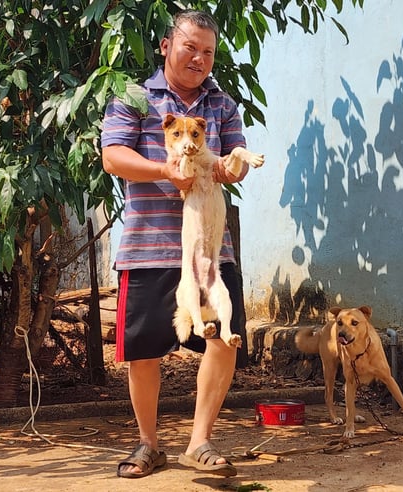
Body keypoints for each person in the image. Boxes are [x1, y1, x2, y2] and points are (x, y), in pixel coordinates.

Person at [100, 9, 250, 479]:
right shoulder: (134, 98)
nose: (199, 58)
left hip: (210, 248)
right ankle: (148, 444)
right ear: (167, 46)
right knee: (143, 351)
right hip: (148, 247)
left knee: (225, 342)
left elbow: (233, 158)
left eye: (208, 51)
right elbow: (113, 157)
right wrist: (165, 170)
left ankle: (199, 442)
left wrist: (232, 168)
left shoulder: (222, 105)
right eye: (191, 47)